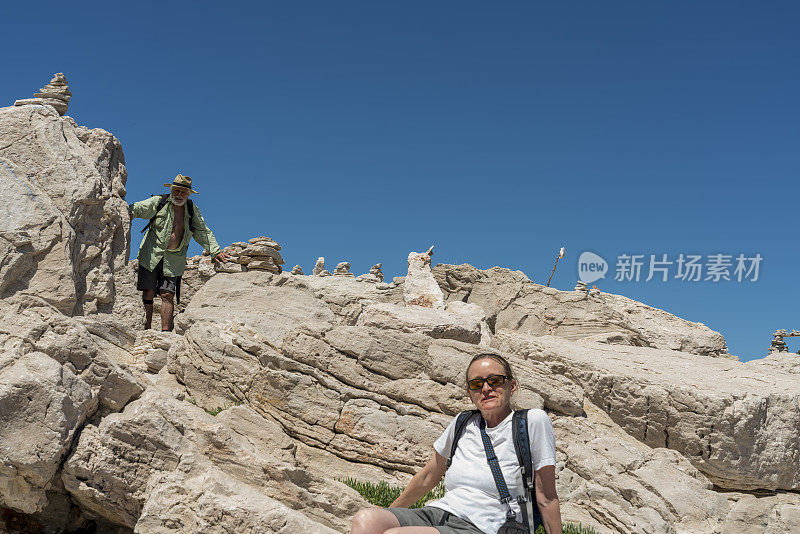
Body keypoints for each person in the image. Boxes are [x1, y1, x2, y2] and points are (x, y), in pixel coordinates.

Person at [351, 353, 562, 534]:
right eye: (477, 384)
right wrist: (390, 511)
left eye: (495, 380)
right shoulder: (463, 422)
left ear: (512, 385)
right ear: (470, 394)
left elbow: (546, 496)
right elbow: (428, 476)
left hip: (484, 527)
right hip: (440, 513)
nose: (486, 388)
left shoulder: (531, 421)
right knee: (366, 520)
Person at [128, 174, 230, 331]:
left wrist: (215, 252)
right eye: (176, 190)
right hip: (151, 254)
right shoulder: (159, 202)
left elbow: (202, 231)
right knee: (147, 293)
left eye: (183, 192)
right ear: (171, 190)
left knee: (167, 295)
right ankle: (146, 330)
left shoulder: (191, 210)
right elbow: (140, 208)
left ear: (188, 194)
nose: (179, 194)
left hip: (174, 259)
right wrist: (128, 212)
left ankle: (165, 332)